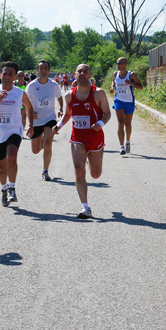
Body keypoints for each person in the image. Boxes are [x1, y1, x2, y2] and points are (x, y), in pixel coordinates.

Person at [53, 63, 111, 219]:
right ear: (75, 74)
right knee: (79, 171)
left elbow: (107, 113)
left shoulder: (99, 93)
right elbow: (68, 114)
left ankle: (94, 155)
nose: (82, 73)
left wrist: (99, 124)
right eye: (80, 71)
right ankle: (85, 207)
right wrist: (58, 125)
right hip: (77, 138)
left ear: (90, 75)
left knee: (96, 174)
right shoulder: (69, 96)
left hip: (95, 137)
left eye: (86, 71)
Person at [0, 61, 34, 207]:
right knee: (1, 167)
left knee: (12, 156)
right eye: (5, 73)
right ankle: (4, 189)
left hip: (14, 129)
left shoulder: (19, 93)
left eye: (10, 74)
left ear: (15, 77)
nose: (7, 76)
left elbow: (29, 107)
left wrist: (30, 125)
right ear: (0, 75)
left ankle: (12, 188)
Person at [26, 59, 63, 181]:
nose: (43, 70)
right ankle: (41, 139)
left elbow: (59, 97)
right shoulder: (31, 86)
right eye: (41, 68)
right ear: (37, 70)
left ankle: (45, 171)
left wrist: (61, 108)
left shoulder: (54, 85)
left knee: (48, 145)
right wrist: (31, 113)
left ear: (49, 70)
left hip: (50, 119)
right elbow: (25, 103)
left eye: (45, 68)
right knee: (35, 150)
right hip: (36, 120)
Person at [110, 56, 143, 155]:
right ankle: (121, 146)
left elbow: (141, 86)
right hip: (118, 100)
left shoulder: (131, 75)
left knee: (127, 124)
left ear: (125, 64)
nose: (118, 65)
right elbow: (113, 81)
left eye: (119, 63)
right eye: (117, 63)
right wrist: (112, 87)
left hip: (129, 101)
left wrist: (131, 84)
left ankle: (127, 142)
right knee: (120, 123)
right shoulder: (115, 74)